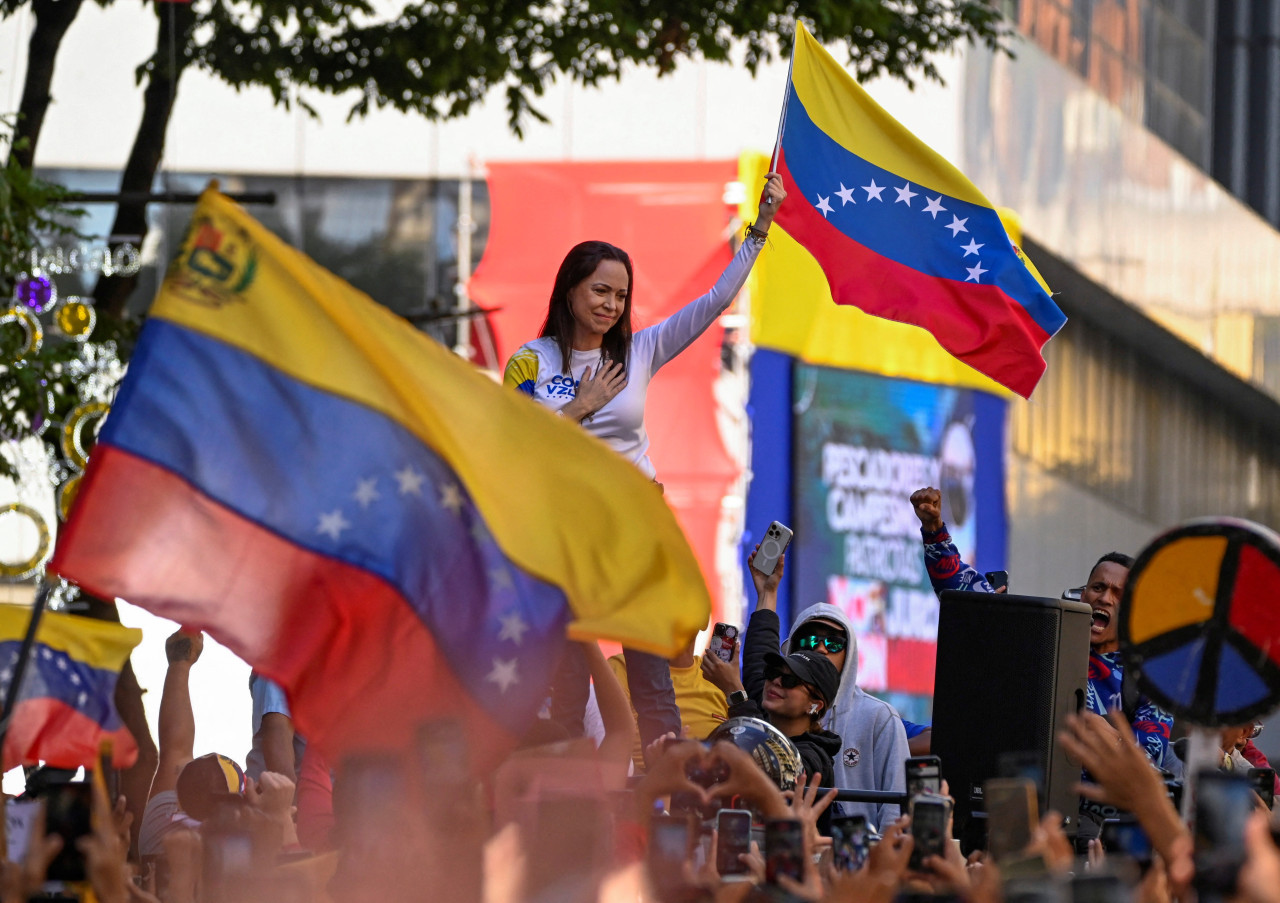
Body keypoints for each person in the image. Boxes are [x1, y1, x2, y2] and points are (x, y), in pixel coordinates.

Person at [507, 174, 786, 751]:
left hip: (635, 528)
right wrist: (580, 407)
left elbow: (714, 304)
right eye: (600, 291)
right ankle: (566, 793)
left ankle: (661, 795)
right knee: (567, 673)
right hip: (565, 536)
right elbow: (516, 450)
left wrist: (759, 228)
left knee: (652, 673)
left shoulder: (641, 349)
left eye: (621, 295)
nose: (612, 305)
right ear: (569, 292)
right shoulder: (529, 362)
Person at [910, 486, 1174, 774]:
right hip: (1022, 800)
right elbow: (966, 593)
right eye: (1098, 588)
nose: (1105, 598)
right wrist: (934, 528)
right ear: (1083, 596)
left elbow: (1149, 765)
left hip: (1095, 815)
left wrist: (1100, 731)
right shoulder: (1046, 643)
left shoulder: (1152, 681)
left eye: (1118, 594)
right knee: (887, 726)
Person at [704, 546, 909, 830]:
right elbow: (757, 665)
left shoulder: (876, 718)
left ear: (816, 705)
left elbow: (772, 765)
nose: (822, 648)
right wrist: (767, 593)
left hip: (850, 866)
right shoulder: (774, 705)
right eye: (810, 640)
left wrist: (883, 868)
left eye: (834, 642)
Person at [608, 633, 728, 772]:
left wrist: (735, 687)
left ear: (703, 621)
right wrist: (655, 782)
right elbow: (610, 751)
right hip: (646, 783)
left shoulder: (719, 675)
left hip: (712, 785)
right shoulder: (622, 667)